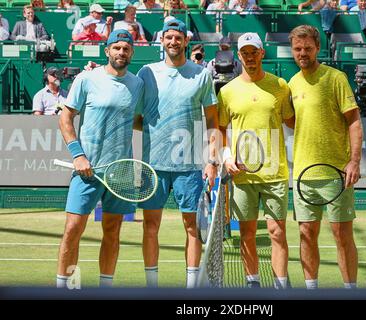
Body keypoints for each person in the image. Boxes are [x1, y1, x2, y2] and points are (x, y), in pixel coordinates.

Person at [56, 29, 144, 289]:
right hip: (87, 171)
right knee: (72, 230)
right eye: (116, 48)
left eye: (125, 48)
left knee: (113, 232)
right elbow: (65, 117)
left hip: (122, 171)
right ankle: (64, 287)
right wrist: (78, 155)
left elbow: (137, 121)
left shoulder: (137, 84)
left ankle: (105, 289)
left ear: (132, 52)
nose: (121, 52)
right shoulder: (86, 78)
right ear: (107, 51)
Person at [135, 18, 219, 289]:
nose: (173, 41)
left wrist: (212, 160)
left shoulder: (202, 74)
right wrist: (154, 129)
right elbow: (136, 117)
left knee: (192, 227)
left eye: (178, 37)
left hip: (190, 167)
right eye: (168, 37)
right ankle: (152, 287)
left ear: (186, 41)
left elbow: (213, 123)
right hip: (154, 166)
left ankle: (191, 288)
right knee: (150, 226)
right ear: (162, 41)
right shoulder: (147, 72)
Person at [287, 25, 363, 289]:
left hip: (336, 175)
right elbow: (294, 122)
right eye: (298, 49)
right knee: (306, 235)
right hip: (303, 176)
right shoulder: (292, 83)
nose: (303, 53)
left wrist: (354, 161)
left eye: (308, 48)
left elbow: (354, 121)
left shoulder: (336, 78)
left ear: (317, 48)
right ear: (292, 50)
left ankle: (350, 290)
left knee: (342, 236)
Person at [218, 33, 295, 289]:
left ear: (262, 53)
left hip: (275, 174)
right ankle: (253, 285)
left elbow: (292, 122)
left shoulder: (281, 86)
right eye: (245, 53)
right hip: (242, 175)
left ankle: (281, 286)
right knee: (247, 234)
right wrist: (226, 157)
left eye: (254, 52)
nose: (249, 57)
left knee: (277, 232)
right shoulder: (227, 91)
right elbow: (219, 129)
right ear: (239, 56)